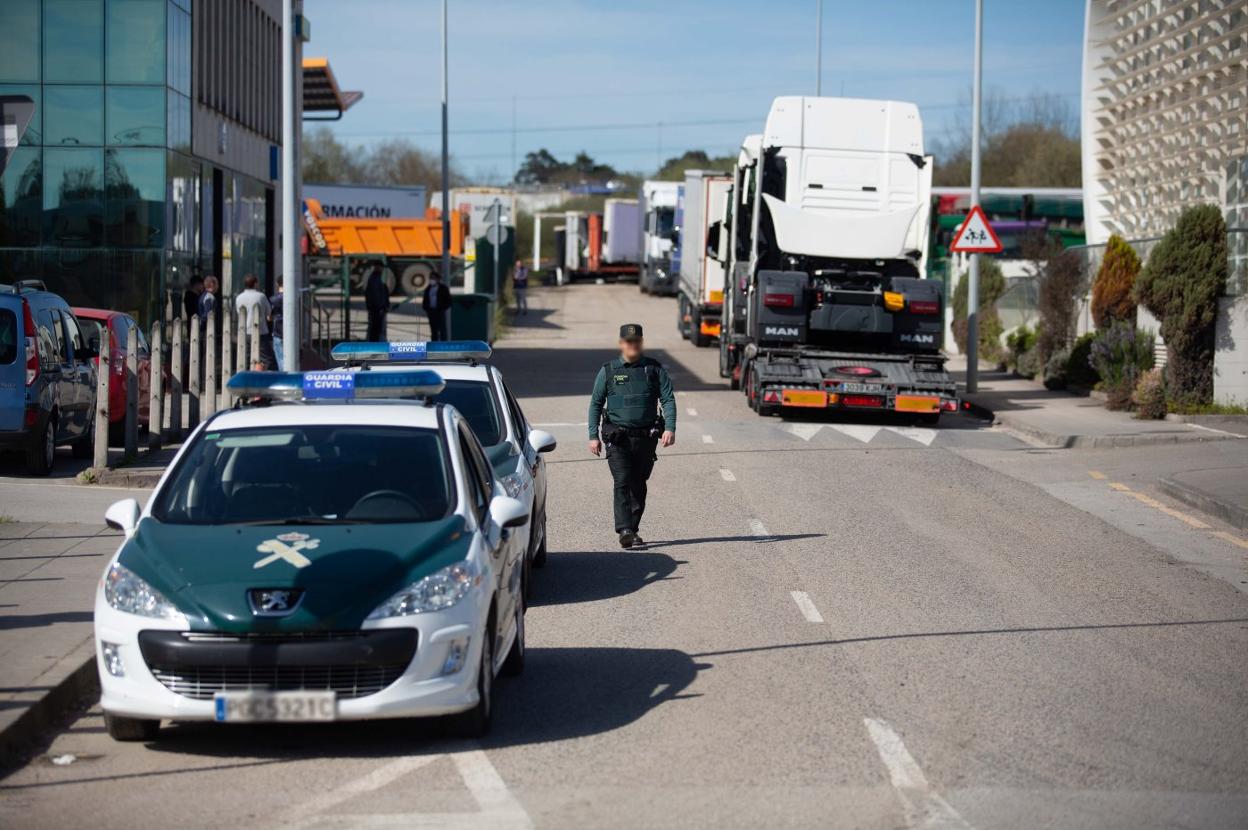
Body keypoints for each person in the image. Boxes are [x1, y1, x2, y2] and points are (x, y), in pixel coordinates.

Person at [587, 324, 676, 549]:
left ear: (641, 343)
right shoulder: (609, 370)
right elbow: (596, 403)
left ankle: (632, 529)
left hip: (646, 438)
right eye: (628, 342)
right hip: (618, 438)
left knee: (639, 484)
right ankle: (624, 530)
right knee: (622, 481)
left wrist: (670, 428)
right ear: (621, 344)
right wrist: (593, 435)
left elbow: (667, 398)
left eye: (636, 341)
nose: (632, 345)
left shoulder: (653, 369)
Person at [235, 274, 274, 368]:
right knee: (267, 359)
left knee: (246, 357)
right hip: (261, 332)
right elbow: (269, 314)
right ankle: (263, 378)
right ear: (255, 284)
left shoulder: (239, 297)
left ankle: (248, 377)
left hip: (245, 332)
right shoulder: (261, 296)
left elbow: (238, 313)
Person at [422, 270, 452, 342]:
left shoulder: (443, 288)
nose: (432, 280)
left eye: (433, 278)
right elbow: (425, 300)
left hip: (440, 311)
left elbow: (448, 300)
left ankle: (443, 344)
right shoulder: (428, 288)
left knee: (442, 329)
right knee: (433, 330)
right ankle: (434, 343)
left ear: (438, 279)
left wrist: (443, 308)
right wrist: (426, 308)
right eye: (431, 278)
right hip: (431, 311)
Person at [364, 265, 390, 342]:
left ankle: (374, 342)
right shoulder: (375, 279)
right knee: (376, 328)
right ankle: (374, 344)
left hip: (376, 308)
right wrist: (381, 307)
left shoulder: (374, 278)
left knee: (375, 328)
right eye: (381, 267)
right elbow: (377, 295)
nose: (382, 269)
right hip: (377, 308)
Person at [270, 277, 284, 370]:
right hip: (292, 334)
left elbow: (269, 317)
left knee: (280, 360)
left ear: (277, 284)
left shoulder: (274, 300)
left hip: (278, 332)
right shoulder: (294, 297)